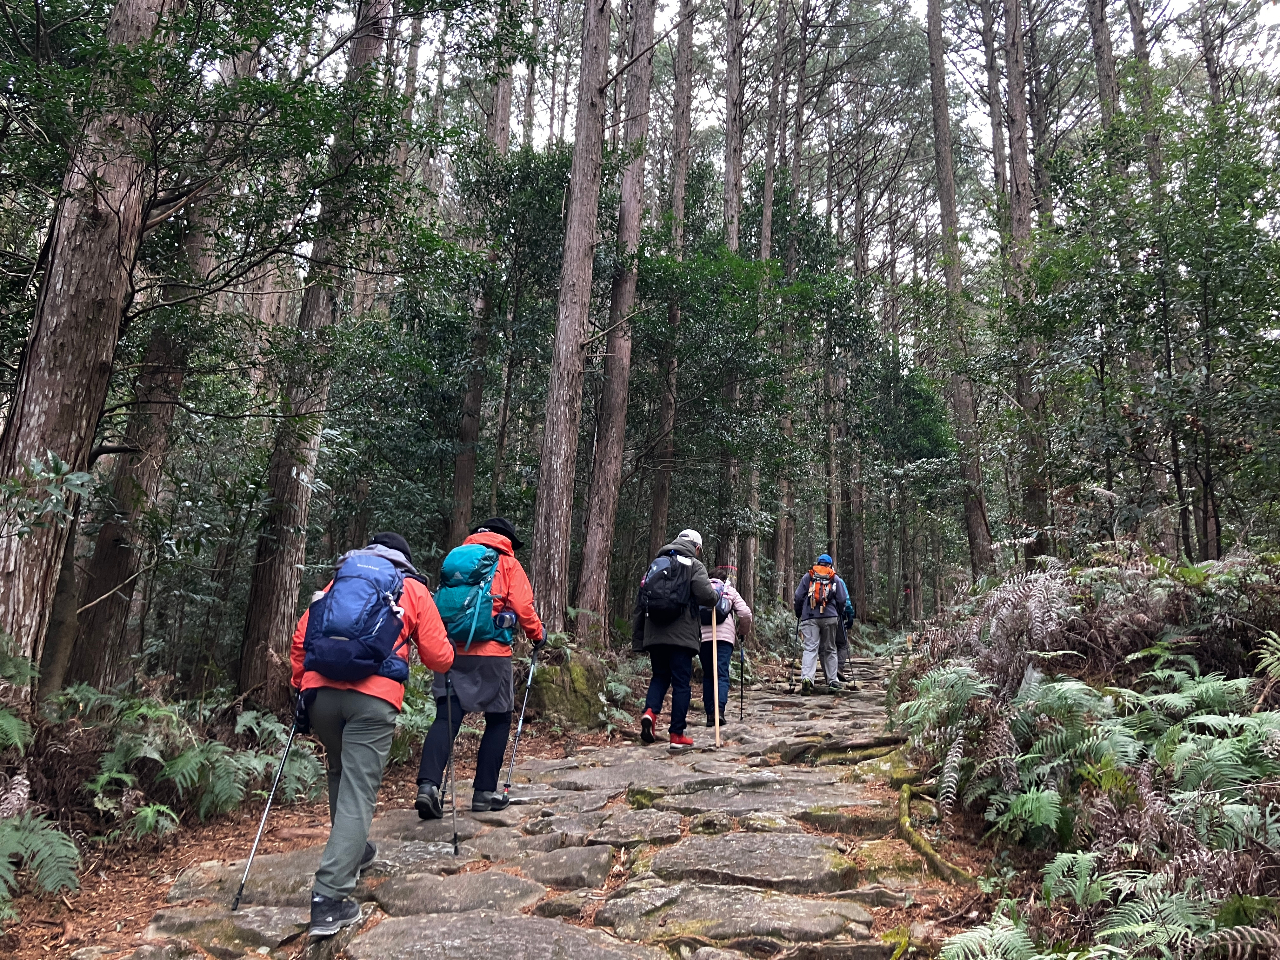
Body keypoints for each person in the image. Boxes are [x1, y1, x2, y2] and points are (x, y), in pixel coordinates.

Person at [291, 532, 454, 938]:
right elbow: (437, 655)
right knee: (359, 788)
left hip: (321, 694)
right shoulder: (411, 588)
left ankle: (353, 850)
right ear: (405, 559)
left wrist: (302, 686)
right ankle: (329, 897)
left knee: (338, 772)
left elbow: (301, 639)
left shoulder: (338, 582)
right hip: (374, 697)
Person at [415, 517, 545, 819]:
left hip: (451, 650)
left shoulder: (456, 558)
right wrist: (538, 635)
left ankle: (427, 787)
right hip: (492, 652)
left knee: (447, 716)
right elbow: (523, 607)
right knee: (498, 719)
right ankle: (484, 793)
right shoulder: (508, 564)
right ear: (505, 538)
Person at [633, 529, 719, 749]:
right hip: (681, 636)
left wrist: (639, 638)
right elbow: (707, 596)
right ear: (696, 547)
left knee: (660, 676)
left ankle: (650, 713)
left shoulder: (657, 563)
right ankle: (677, 735)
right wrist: (717, 595)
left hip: (655, 633)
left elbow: (641, 600)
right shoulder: (693, 565)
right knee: (681, 683)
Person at [793, 553, 852, 695]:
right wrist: (839, 612)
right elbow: (842, 599)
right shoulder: (834, 577)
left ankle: (807, 678)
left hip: (810, 616)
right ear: (830, 565)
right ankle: (832, 681)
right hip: (830, 617)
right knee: (830, 648)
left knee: (810, 648)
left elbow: (798, 596)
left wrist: (799, 612)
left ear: (818, 564)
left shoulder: (808, 577)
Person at [698, 575, 753, 727]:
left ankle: (710, 714)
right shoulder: (729, 590)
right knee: (721, 674)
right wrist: (742, 632)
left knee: (708, 675)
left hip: (703, 637)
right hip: (724, 637)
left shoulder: (700, 590)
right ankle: (719, 711)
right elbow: (745, 614)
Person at [833, 573, 856, 683]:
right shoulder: (838, 580)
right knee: (843, 645)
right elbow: (845, 599)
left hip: (816, 619)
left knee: (826, 647)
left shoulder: (812, 579)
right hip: (836, 617)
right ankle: (839, 668)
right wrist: (849, 615)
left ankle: (829, 674)